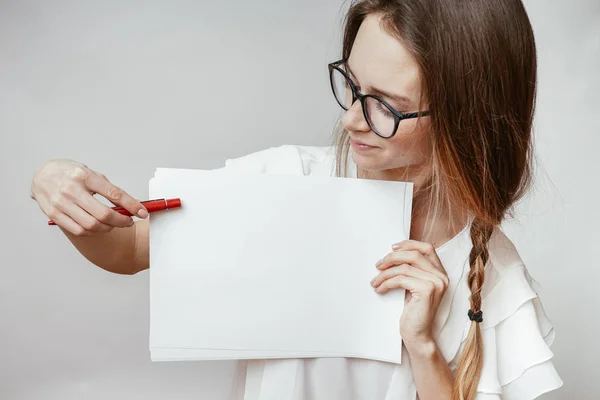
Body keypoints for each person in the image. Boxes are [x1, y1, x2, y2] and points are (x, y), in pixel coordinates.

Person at [30, 0, 563, 399]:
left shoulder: (495, 277)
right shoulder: (284, 180)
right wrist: (59, 187)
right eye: (352, 85)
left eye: (387, 105)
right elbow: (128, 250)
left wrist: (422, 348)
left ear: (467, 120)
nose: (351, 118)